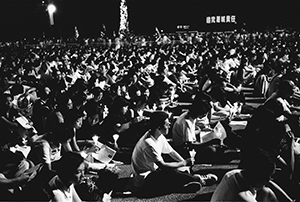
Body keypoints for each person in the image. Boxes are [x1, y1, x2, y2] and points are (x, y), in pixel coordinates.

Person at [131, 111, 218, 197]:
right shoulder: (149, 144)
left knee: (174, 170)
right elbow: (163, 166)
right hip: (144, 181)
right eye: (166, 122)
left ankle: (183, 185)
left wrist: (184, 163)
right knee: (169, 171)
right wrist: (183, 163)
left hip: (153, 172)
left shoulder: (158, 135)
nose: (169, 124)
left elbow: (171, 152)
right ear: (158, 127)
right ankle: (197, 179)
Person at [211, 148, 294, 202]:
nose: (269, 179)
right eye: (268, 176)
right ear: (258, 175)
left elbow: (269, 183)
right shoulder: (243, 197)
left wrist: (289, 200)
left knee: (266, 191)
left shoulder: (234, 173)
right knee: (266, 192)